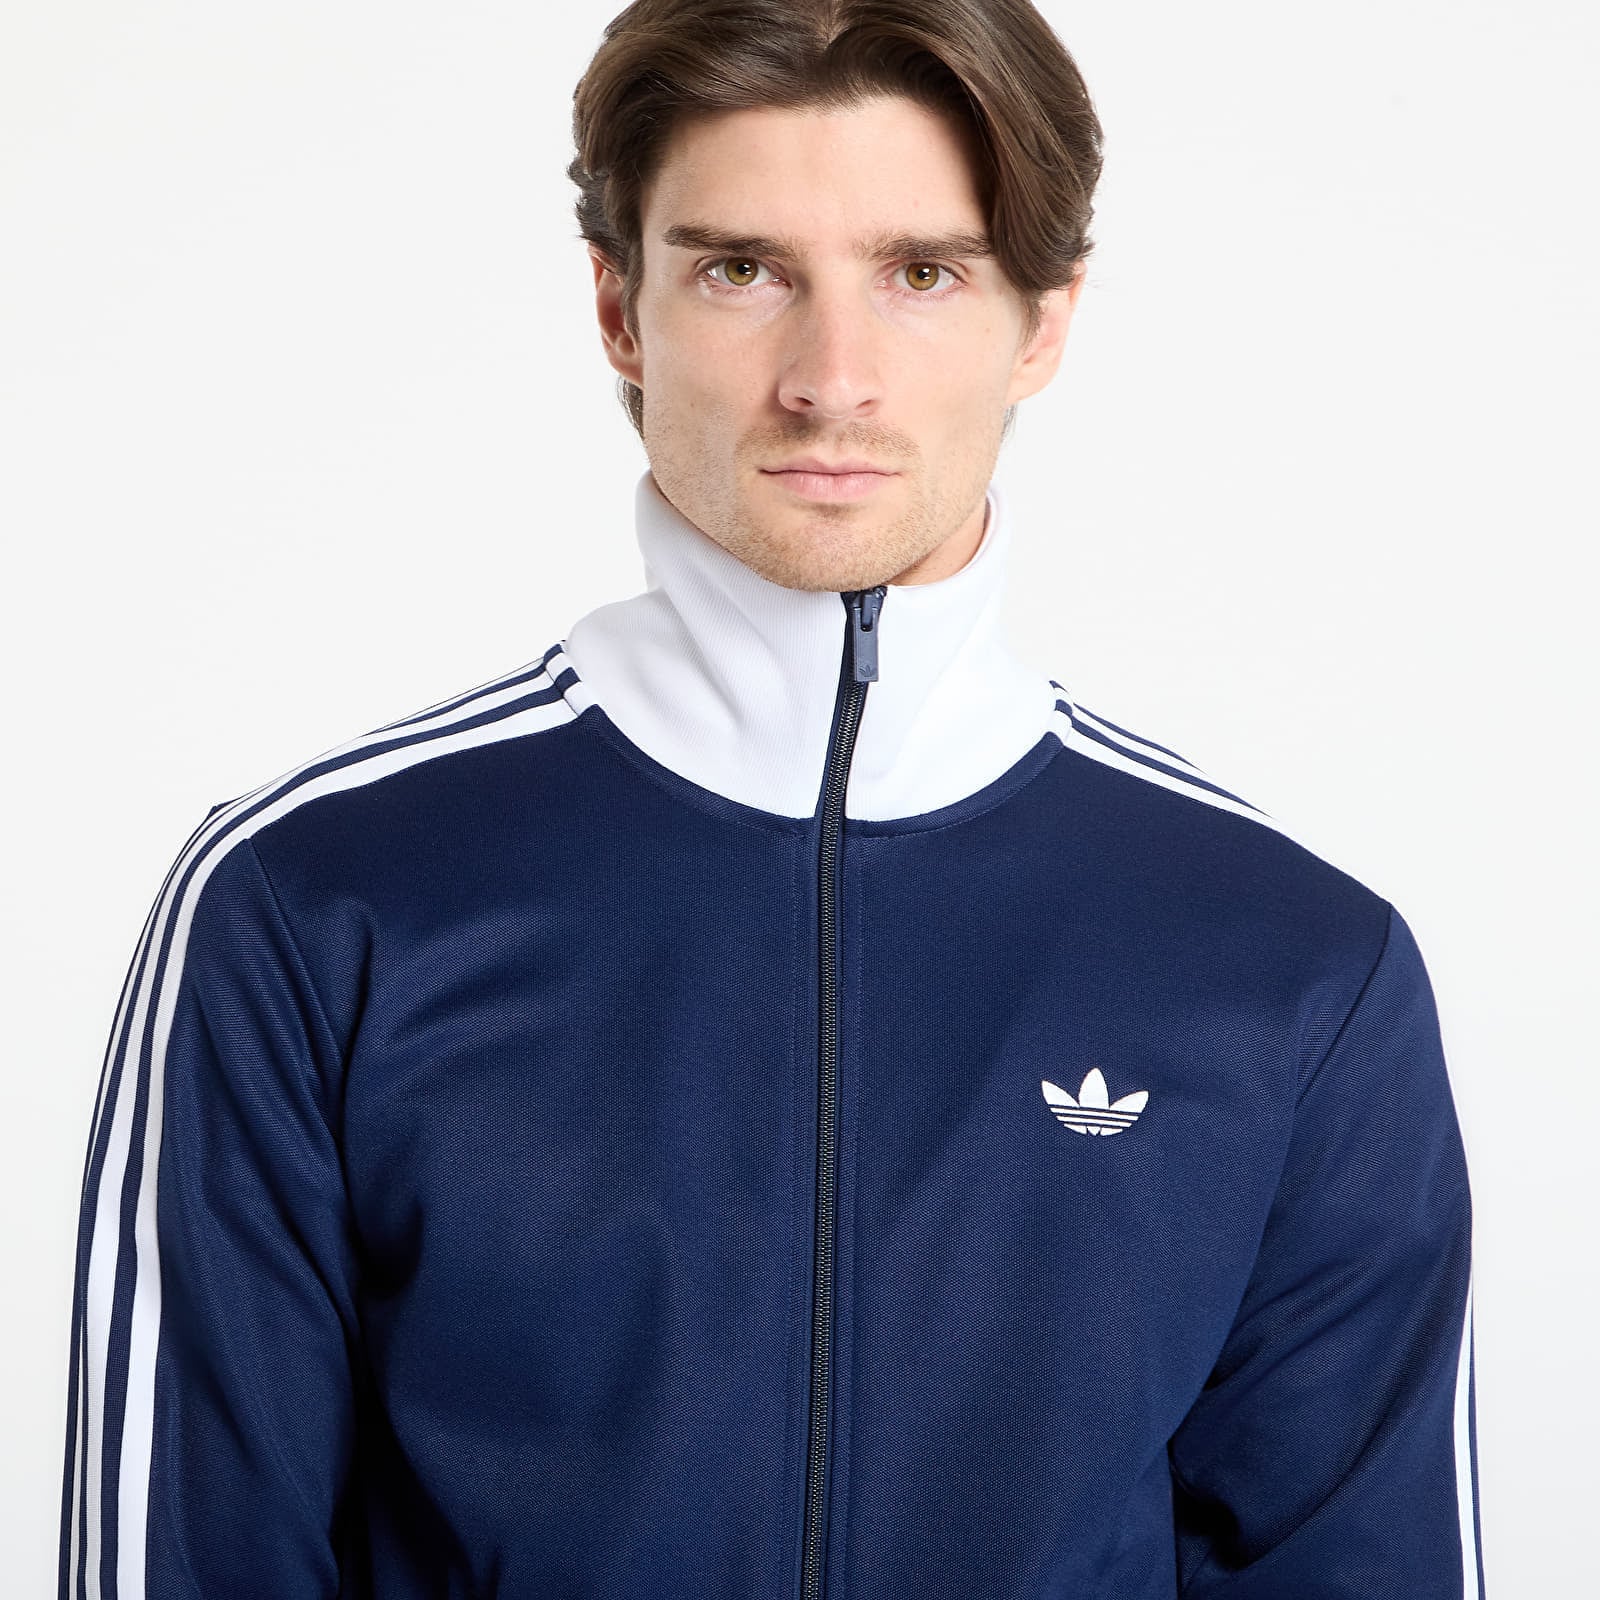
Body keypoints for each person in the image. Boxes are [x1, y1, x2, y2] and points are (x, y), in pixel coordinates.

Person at [58, 1, 1486, 1596]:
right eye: (743, 270)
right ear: (621, 309)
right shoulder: (313, 904)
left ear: (1044, 323)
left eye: (922, 273)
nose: (831, 380)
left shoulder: (1291, 964)